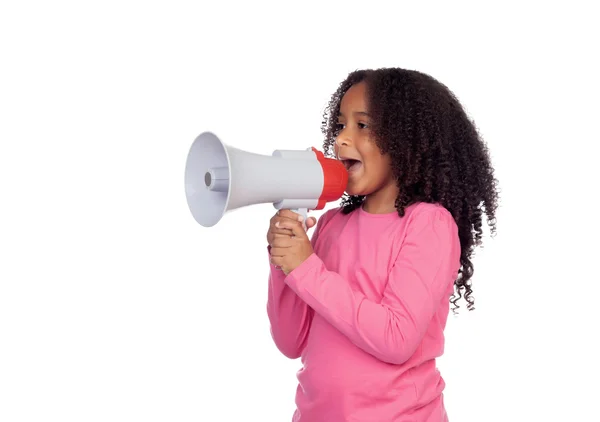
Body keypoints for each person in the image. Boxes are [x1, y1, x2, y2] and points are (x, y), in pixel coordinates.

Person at [266, 67, 499, 421]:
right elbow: (290, 341)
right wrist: (283, 264)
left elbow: (396, 338)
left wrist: (305, 267)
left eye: (362, 125)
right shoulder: (330, 225)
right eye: (340, 125)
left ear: (407, 139)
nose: (342, 139)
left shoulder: (429, 225)